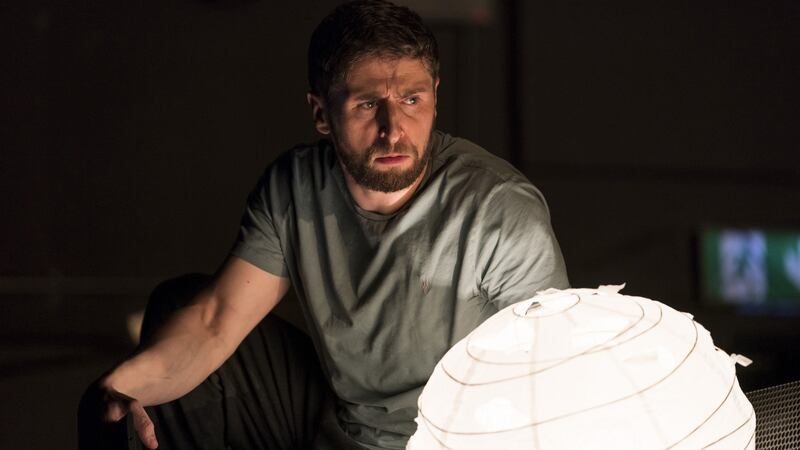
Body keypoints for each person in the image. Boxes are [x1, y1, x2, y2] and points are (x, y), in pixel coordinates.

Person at [78, 1, 569, 449]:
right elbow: (214, 324)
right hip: (337, 424)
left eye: (412, 100)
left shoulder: (500, 212)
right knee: (176, 305)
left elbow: (551, 386)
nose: (393, 127)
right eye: (366, 104)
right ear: (321, 113)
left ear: (435, 98)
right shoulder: (294, 188)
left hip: (445, 440)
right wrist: (117, 388)